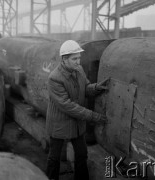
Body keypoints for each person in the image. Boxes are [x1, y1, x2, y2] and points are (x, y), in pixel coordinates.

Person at [46, 40, 108, 180]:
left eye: (79, 58)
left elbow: (85, 88)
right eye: (74, 59)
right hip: (59, 123)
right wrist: (93, 116)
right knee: (54, 157)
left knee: (81, 154)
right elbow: (67, 105)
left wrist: (96, 88)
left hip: (77, 123)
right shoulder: (54, 78)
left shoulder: (78, 70)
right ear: (64, 59)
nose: (78, 62)